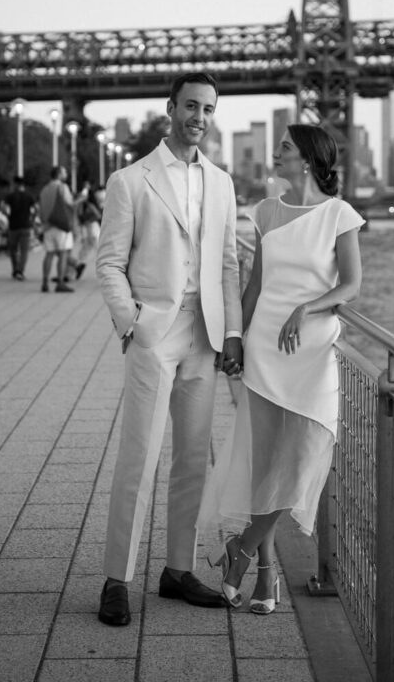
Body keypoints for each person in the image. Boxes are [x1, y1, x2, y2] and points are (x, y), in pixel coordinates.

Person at [95, 71, 243, 627]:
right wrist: (130, 323)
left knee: (191, 462)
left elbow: (228, 262)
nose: (198, 118)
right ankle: (117, 578)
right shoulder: (130, 180)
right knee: (139, 455)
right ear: (170, 108)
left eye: (208, 108)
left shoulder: (223, 184)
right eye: (190, 106)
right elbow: (108, 263)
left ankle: (177, 571)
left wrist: (232, 334)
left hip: (203, 336)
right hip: (154, 333)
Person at [199, 124, 365, 615]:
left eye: (286, 147)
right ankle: (267, 579)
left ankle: (241, 551)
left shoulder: (340, 215)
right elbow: (254, 287)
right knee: (266, 464)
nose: (277, 153)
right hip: (266, 351)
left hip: (311, 353)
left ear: (309, 159)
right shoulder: (267, 211)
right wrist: (234, 339)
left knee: (303, 457)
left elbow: (351, 285)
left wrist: (307, 308)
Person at [38, 166, 74, 293]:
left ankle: (44, 282)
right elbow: (70, 203)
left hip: (47, 226)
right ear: (59, 174)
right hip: (61, 225)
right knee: (63, 254)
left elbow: (40, 208)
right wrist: (82, 197)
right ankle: (60, 283)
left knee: (49, 254)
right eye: (65, 172)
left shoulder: (45, 189)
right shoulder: (62, 187)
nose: (66, 174)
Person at [4, 176, 36, 280]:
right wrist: (32, 219)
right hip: (26, 225)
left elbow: (5, 209)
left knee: (13, 250)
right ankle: (20, 271)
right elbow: (35, 209)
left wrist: (9, 217)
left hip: (13, 226)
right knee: (24, 250)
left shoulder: (10, 196)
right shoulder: (29, 196)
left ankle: (15, 269)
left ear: (15, 184)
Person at [72, 183, 102, 279]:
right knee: (86, 250)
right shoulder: (85, 205)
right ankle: (77, 267)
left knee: (96, 251)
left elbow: (97, 215)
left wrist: (87, 219)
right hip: (91, 228)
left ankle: (77, 267)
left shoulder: (87, 205)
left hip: (91, 228)